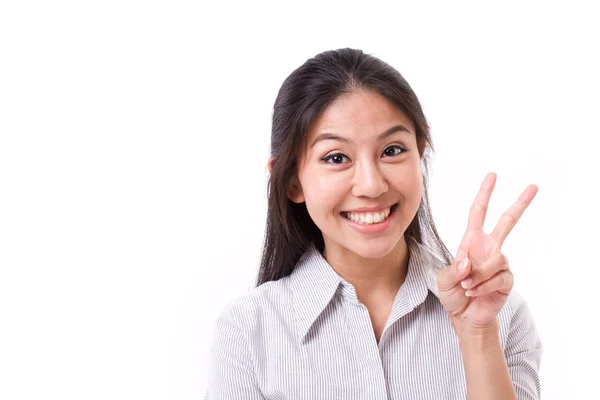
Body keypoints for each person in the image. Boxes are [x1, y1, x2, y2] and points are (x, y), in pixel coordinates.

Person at [204, 48, 542, 399]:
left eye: (392, 150)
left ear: (420, 152)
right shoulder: (247, 332)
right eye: (337, 158)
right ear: (291, 181)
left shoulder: (501, 316)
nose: (371, 185)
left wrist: (478, 337)